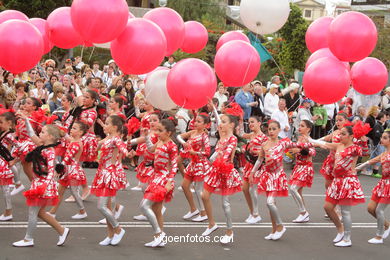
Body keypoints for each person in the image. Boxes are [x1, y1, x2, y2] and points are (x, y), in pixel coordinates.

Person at [250, 120, 310, 241]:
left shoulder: (283, 143)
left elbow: (299, 146)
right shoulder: (265, 144)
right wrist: (253, 172)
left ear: (279, 130)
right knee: (270, 205)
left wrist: (304, 144)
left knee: (270, 202)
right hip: (267, 176)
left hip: (277, 176)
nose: (271, 131)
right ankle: (273, 230)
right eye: (269, 129)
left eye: (274, 129)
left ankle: (281, 226)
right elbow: (260, 160)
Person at [13, 122, 70, 247]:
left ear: (50, 136)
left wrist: (45, 186)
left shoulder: (49, 151)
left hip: (43, 184)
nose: (40, 133)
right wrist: (26, 119)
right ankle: (62, 230)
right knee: (40, 212)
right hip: (39, 182)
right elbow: (31, 133)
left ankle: (28, 239)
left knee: (33, 212)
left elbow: (51, 171)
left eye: (43, 132)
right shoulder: (42, 146)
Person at [310, 125, 367, 247]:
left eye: (343, 134)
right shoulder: (338, 145)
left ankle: (347, 238)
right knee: (328, 207)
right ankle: (340, 230)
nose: (340, 136)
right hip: (337, 181)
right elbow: (323, 144)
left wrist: (362, 140)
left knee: (345, 212)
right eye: (340, 133)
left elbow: (364, 150)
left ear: (351, 136)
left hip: (348, 181)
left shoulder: (354, 148)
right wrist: (308, 139)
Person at [202, 114, 242, 244]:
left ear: (231, 125)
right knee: (204, 196)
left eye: (224, 122)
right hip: (215, 169)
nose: (220, 124)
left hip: (225, 171)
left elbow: (226, 154)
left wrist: (217, 159)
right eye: (221, 122)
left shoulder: (232, 138)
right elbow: (219, 121)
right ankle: (211, 224)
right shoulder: (222, 134)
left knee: (225, 203)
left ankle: (229, 231)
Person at [91, 115, 128, 246]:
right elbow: (97, 146)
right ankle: (110, 235)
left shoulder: (116, 139)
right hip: (103, 172)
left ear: (115, 127)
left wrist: (126, 152)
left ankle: (118, 229)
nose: (104, 126)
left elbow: (121, 146)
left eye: (107, 124)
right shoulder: (109, 138)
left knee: (101, 206)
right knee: (107, 207)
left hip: (109, 174)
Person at [141, 119, 178, 247]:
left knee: (144, 206)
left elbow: (174, 165)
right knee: (156, 209)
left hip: (163, 179)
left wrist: (170, 181)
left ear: (169, 133)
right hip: (156, 176)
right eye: (156, 130)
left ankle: (159, 233)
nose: (157, 133)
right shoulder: (161, 141)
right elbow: (151, 149)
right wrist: (146, 136)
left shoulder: (172, 146)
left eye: (160, 131)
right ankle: (159, 237)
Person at [47, 122, 89, 220]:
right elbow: (68, 139)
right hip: (68, 169)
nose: (71, 130)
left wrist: (58, 170)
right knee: (60, 192)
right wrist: (62, 132)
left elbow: (67, 158)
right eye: (72, 128)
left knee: (74, 192)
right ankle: (52, 212)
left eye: (74, 128)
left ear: (80, 132)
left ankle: (82, 211)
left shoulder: (76, 144)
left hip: (72, 170)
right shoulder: (75, 140)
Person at [356, 130, 390, 244]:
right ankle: (387, 225)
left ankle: (379, 236)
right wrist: (354, 169)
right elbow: (369, 162)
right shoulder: (383, 154)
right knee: (371, 209)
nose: (382, 140)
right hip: (383, 183)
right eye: (382, 137)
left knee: (379, 210)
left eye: (385, 138)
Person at [178, 114, 211, 222]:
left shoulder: (204, 136)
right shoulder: (192, 132)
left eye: (199, 122)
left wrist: (195, 152)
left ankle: (203, 213)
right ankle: (193, 209)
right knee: (184, 186)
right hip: (193, 163)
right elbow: (179, 136)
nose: (196, 123)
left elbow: (207, 152)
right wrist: (184, 143)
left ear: (205, 124)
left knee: (198, 189)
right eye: (196, 121)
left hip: (200, 164)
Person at [242, 116, 267, 224]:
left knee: (253, 189)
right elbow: (239, 133)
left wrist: (258, 153)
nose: (250, 124)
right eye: (249, 122)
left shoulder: (264, 137)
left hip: (258, 166)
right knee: (245, 189)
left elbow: (267, 152)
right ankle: (252, 212)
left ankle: (256, 214)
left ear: (259, 123)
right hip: (249, 164)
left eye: (252, 122)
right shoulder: (251, 135)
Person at [289, 120, 316, 223]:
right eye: (299, 125)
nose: (299, 127)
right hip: (298, 167)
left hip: (305, 167)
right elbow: (297, 152)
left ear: (308, 129)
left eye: (302, 126)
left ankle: (304, 212)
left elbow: (313, 152)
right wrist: (291, 153)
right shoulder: (300, 138)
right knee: (298, 191)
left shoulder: (308, 139)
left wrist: (299, 150)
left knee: (293, 189)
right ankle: (303, 214)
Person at [0, 112, 17, 221]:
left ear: (9, 123)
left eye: (1, 122)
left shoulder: (9, 135)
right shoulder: (4, 133)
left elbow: (19, 146)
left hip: (2, 163)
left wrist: (14, 159)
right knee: (4, 188)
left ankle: (8, 211)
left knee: (5, 188)